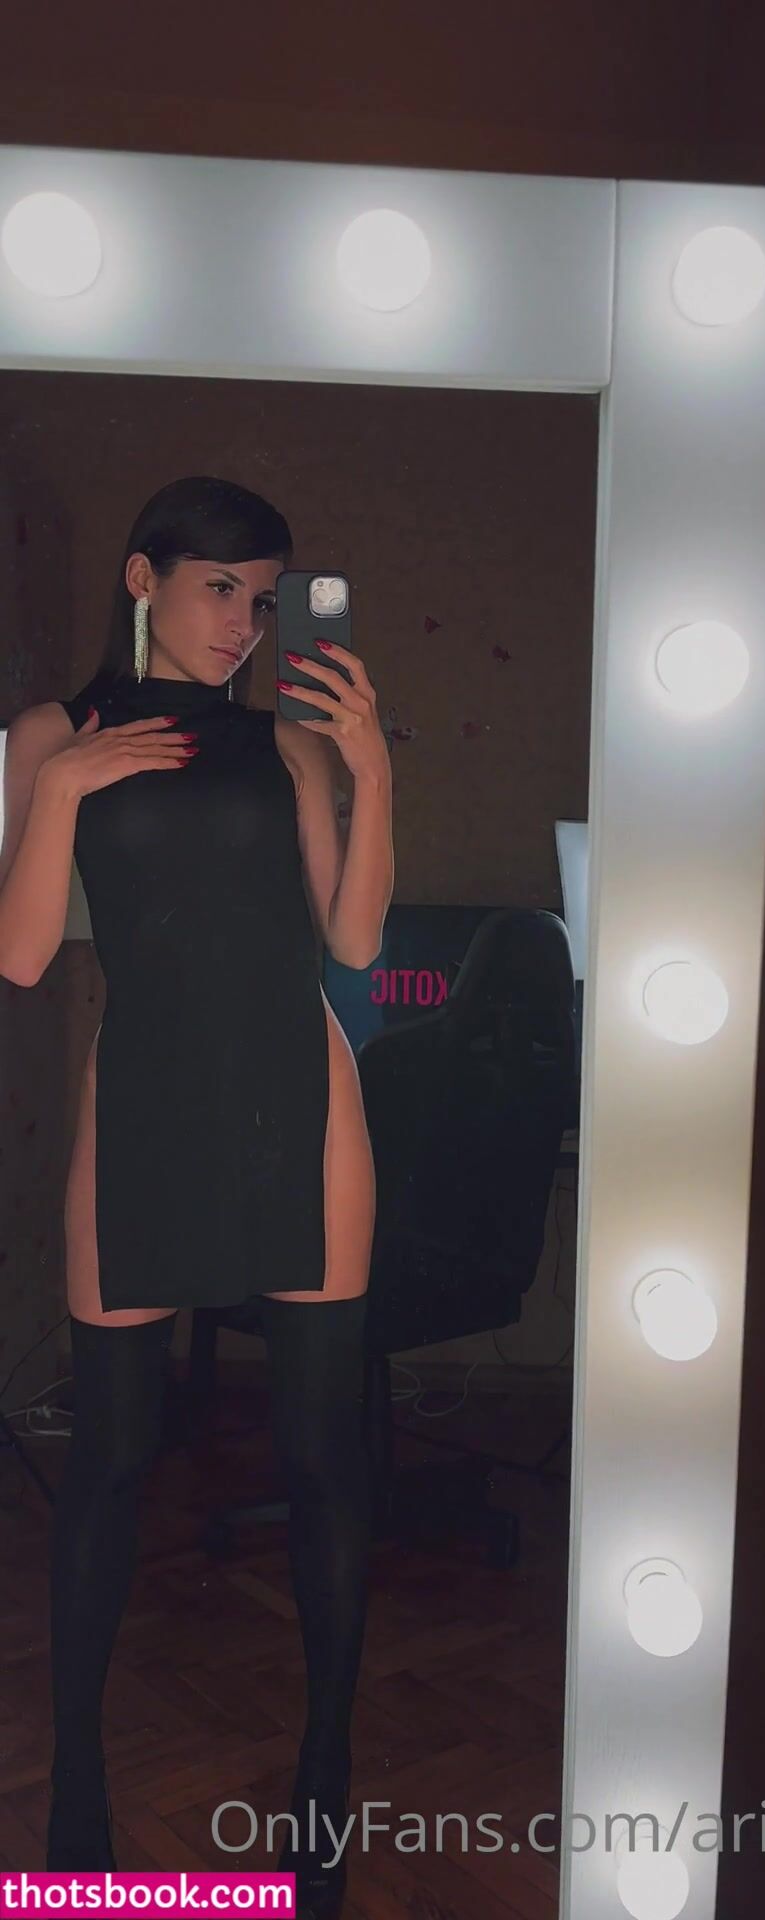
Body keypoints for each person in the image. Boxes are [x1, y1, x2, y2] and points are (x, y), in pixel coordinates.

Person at [0, 476, 395, 1920]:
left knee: (322, 1455)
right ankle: (79, 1799)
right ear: (143, 577)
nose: (244, 620)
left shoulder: (283, 743)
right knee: (108, 1456)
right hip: (147, 1100)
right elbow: (22, 956)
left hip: (302, 1096)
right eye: (220, 585)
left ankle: (324, 1778)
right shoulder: (49, 736)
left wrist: (368, 771)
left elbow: (355, 940)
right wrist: (60, 788)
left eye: (263, 597)